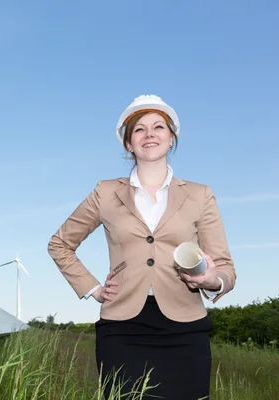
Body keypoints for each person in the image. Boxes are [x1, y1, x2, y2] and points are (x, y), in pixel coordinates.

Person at [47, 94, 236, 399]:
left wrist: (213, 280)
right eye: (139, 129)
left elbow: (226, 269)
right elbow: (60, 244)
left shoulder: (200, 195)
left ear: (171, 139)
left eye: (159, 127)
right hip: (122, 330)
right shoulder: (105, 192)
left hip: (185, 328)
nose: (150, 134)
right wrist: (93, 288)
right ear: (128, 144)